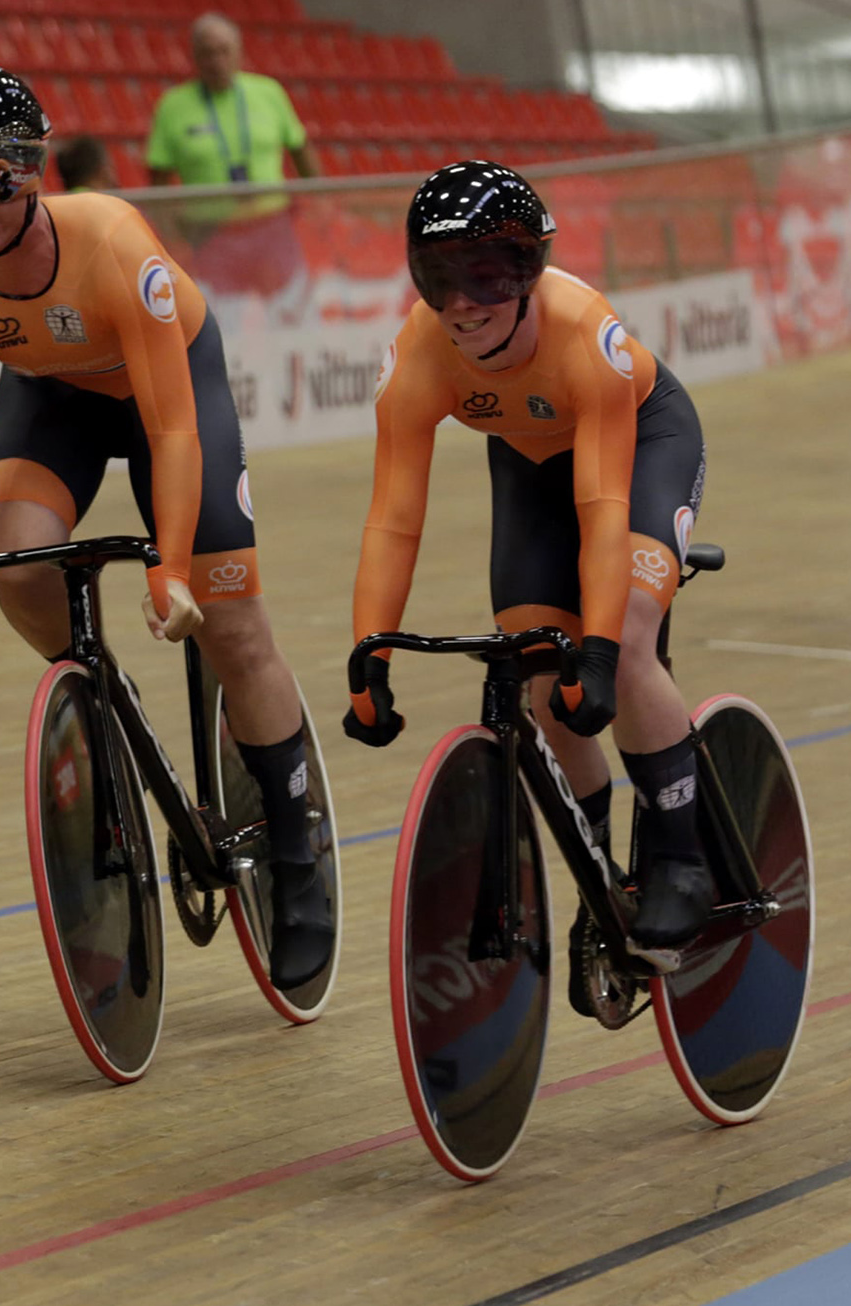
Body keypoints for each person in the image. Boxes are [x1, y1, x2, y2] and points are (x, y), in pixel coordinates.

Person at [0, 66, 332, 990]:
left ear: (31, 168)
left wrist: (170, 569)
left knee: (232, 627)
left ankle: (298, 856)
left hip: (165, 388)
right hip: (54, 395)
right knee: (13, 561)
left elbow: (173, 428)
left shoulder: (111, 241)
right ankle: (109, 699)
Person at [343, 161, 712, 985]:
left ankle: (683, 857)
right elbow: (394, 517)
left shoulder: (587, 335)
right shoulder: (419, 353)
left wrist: (607, 652)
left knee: (631, 636)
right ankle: (598, 873)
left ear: (528, 273)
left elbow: (604, 511)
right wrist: (370, 651)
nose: (463, 302)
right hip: (530, 463)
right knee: (540, 673)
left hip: (639, 447)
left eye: (486, 276)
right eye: (441, 277)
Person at [144, 13, 317, 189]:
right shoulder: (172, 105)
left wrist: (319, 201)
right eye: (207, 53)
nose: (217, 61)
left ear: (239, 52)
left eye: (224, 51)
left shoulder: (270, 92)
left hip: (271, 213)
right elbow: (159, 176)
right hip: (205, 215)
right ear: (194, 56)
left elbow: (301, 151)